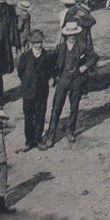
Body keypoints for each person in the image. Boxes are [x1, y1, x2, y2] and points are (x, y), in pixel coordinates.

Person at [41, 21, 98, 149]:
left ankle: (70, 131)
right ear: (66, 35)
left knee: (74, 107)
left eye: (73, 34)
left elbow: (94, 57)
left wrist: (85, 67)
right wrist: (54, 75)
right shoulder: (60, 48)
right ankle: (51, 136)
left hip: (76, 80)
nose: (71, 37)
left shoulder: (82, 46)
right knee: (56, 108)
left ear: (76, 34)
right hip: (62, 80)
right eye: (69, 35)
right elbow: (51, 62)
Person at [16, 29, 55, 151]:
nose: (38, 45)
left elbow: (50, 72)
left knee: (40, 115)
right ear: (31, 43)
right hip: (28, 91)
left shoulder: (47, 56)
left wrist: (42, 80)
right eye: (35, 42)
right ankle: (29, 141)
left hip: (42, 91)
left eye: (40, 42)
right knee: (28, 117)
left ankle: (38, 139)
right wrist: (29, 81)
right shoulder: (25, 57)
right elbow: (20, 72)